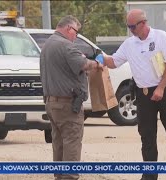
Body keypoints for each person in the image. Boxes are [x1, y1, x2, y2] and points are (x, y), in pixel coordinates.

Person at [101, 9, 166, 180]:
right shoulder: (129, 44)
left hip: (165, 90)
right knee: (147, 136)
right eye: (128, 26)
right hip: (143, 94)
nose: (130, 30)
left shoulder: (161, 37)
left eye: (133, 26)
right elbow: (113, 62)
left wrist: (160, 88)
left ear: (143, 23)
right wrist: (99, 59)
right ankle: (150, 175)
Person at [40, 15, 103, 180]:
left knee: (59, 143)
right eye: (76, 31)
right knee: (72, 143)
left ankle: (59, 176)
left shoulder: (48, 44)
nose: (76, 36)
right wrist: (98, 62)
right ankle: (69, 177)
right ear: (68, 28)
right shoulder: (66, 46)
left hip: (52, 103)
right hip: (67, 104)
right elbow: (84, 65)